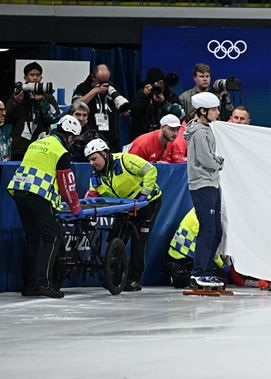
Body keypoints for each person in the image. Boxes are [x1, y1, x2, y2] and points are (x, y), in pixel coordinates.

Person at [6, 115, 83, 298]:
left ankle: (29, 285)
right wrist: (76, 209)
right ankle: (45, 284)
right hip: (38, 193)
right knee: (54, 237)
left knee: (32, 238)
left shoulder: (36, 143)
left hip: (19, 191)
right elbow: (66, 185)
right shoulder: (60, 151)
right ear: (69, 137)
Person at [84, 138, 163, 292]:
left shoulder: (125, 160)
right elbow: (92, 196)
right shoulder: (96, 176)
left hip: (147, 203)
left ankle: (134, 280)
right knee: (115, 238)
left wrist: (144, 194)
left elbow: (150, 170)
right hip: (125, 207)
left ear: (105, 154)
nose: (91, 163)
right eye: (89, 160)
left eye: (94, 159)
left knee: (139, 241)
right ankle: (116, 279)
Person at [185, 92, 226, 290]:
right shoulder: (200, 132)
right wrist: (220, 162)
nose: (218, 112)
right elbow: (206, 159)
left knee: (216, 231)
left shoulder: (206, 129)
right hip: (203, 185)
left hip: (211, 184)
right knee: (208, 230)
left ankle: (206, 272)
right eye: (214, 109)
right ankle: (198, 273)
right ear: (203, 111)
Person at [5, 62, 60, 161]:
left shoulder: (47, 96)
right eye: (32, 75)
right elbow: (7, 117)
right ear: (25, 78)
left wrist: (43, 102)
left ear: (41, 78)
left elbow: (55, 118)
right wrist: (15, 102)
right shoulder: (19, 94)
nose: (35, 78)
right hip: (21, 147)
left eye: (38, 75)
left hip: (42, 145)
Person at [71, 64, 127, 153]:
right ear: (93, 77)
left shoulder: (113, 89)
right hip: (90, 138)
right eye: (100, 81)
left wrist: (123, 112)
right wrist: (94, 91)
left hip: (111, 139)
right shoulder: (84, 88)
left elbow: (118, 111)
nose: (104, 84)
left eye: (106, 81)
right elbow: (76, 104)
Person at [130, 67, 184, 141]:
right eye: (156, 84)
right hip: (144, 137)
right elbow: (134, 112)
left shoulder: (170, 95)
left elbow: (181, 114)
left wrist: (164, 103)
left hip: (164, 138)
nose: (159, 86)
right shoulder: (142, 94)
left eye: (161, 83)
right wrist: (143, 96)